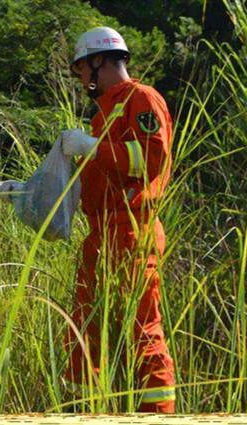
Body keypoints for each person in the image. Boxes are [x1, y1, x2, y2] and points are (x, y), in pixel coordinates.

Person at [61, 26, 176, 413]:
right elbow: (88, 188)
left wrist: (92, 147)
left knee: (142, 331)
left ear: (98, 61)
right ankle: (81, 411)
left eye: (81, 70)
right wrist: (17, 190)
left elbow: (151, 159)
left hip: (133, 230)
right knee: (82, 329)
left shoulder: (141, 100)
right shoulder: (102, 115)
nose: (80, 80)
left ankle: (157, 414)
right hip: (100, 236)